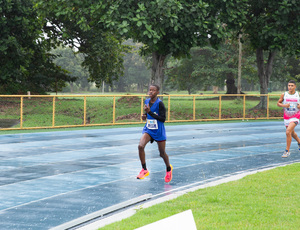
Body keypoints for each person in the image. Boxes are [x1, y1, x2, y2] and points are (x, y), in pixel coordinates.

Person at [136, 84, 173, 182]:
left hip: (158, 131)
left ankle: (168, 169)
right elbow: (147, 114)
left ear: (157, 92)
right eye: (149, 90)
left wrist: (150, 113)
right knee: (140, 146)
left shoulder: (160, 103)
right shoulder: (147, 101)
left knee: (162, 153)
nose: (150, 92)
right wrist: (144, 116)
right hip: (149, 129)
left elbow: (163, 119)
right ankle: (144, 169)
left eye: (153, 90)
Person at [277, 80, 300, 157]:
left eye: (292, 85)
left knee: (288, 132)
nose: (290, 87)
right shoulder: (284, 94)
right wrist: (285, 106)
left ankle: (287, 151)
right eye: (289, 85)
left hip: (295, 116)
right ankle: (299, 142)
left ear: (295, 86)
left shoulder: (298, 94)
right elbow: (278, 103)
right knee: (292, 133)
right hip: (287, 116)